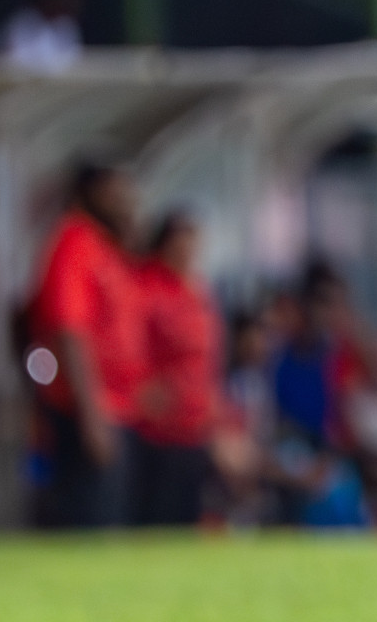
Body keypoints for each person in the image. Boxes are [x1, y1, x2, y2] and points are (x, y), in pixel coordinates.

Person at [26, 163, 146, 528]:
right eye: (114, 192)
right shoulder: (74, 241)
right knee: (90, 521)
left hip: (114, 406)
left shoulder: (104, 245)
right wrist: (92, 415)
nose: (123, 200)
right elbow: (69, 330)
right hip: (86, 408)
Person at [132, 211, 222, 526]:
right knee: (159, 517)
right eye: (181, 244)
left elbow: (209, 357)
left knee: (189, 515)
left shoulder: (198, 290)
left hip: (196, 423)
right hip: (158, 427)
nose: (188, 252)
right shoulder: (146, 287)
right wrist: (143, 388)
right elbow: (129, 344)